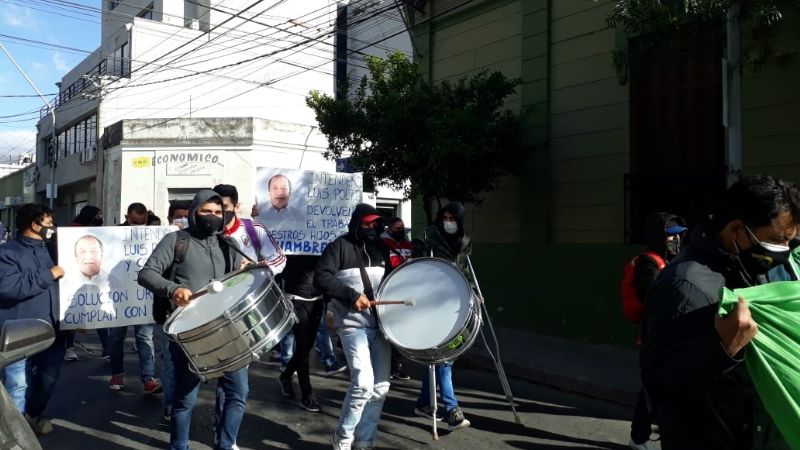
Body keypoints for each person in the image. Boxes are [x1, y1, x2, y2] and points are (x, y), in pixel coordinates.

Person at [641, 175, 799, 449]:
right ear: (736, 230)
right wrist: (722, 348)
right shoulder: (686, 286)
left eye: (791, 241)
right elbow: (660, 387)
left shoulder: (760, 267)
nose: (784, 251)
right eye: (776, 240)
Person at [139, 190, 246, 450]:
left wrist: (243, 274)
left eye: (218, 212)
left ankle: (226, 443)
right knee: (185, 399)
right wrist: (173, 290)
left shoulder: (228, 244)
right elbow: (147, 274)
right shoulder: (176, 240)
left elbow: (235, 286)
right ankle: (179, 446)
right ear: (193, 212)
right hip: (189, 333)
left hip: (226, 330)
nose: (213, 217)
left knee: (237, 394)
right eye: (206, 211)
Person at [315, 203, 392, 450]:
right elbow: (322, 277)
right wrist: (350, 295)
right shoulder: (339, 247)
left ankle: (365, 442)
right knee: (363, 385)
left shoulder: (382, 248)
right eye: (366, 223)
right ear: (356, 223)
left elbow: (393, 282)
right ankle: (343, 440)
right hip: (351, 326)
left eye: (375, 224)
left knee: (380, 389)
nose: (371, 228)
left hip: (381, 328)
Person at [620, 212, 687, 450]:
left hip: (663, 336)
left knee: (659, 387)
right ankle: (638, 437)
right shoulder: (650, 263)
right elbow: (654, 300)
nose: (675, 241)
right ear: (660, 238)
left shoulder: (664, 260)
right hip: (654, 337)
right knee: (651, 388)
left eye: (678, 237)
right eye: (670, 237)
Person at [0, 203, 65, 435]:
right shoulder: (8, 252)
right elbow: (8, 287)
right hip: (19, 332)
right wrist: (49, 275)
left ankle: (32, 417)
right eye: (48, 223)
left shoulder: (55, 250)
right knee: (17, 384)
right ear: (34, 224)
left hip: (54, 330)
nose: (51, 227)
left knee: (47, 380)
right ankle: (14, 436)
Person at [411, 202, 471, 430]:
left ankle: (424, 402)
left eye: (452, 217)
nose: (448, 221)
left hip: (456, 302)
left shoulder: (464, 241)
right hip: (433, 303)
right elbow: (417, 264)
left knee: (440, 358)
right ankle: (451, 409)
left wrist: (473, 292)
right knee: (445, 358)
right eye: (444, 217)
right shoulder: (428, 235)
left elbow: (465, 269)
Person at [107, 202, 161, 394]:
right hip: (119, 296)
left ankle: (148, 378)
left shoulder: (152, 235)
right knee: (115, 338)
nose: (138, 226)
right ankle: (117, 373)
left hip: (142, 297)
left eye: (142, 222)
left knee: (145, 338)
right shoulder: (113, 235)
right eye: (134, 222)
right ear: (126, 217)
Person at [276, 255, 326, 412]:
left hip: (317, 299)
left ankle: (286, 375)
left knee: (306, 347)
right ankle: (307, 394)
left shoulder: (321, 242)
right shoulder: (288, 245)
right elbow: (277, 270)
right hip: (295, 299)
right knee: (303, 348)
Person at [64, 205, 105, 362]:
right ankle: (69, 347)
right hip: (74, 278)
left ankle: (106, 346)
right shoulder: (73, 231)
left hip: (95, 279)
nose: (99, 218)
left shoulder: (100, 232)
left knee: (100, 312)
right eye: (97, 215)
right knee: (73, 313)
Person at [380, 217, 412, 381]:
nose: (401, 231)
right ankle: (388, 366)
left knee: (400, 329)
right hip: (388, 291)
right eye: (397, 229)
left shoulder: (407, 244)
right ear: (389, 229)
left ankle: (396, 366)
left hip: (404, 291)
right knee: (387, 331)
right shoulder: (382, 244)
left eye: (403, 228)